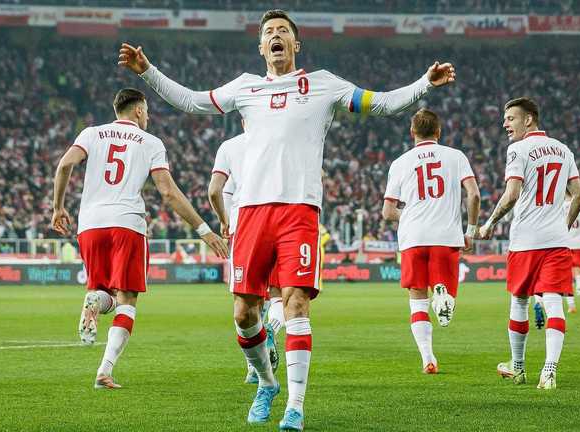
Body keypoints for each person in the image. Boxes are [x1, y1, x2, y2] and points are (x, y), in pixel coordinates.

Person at [119, 9, 455, 430]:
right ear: (261, 47)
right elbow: (192, 100)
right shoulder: (246, 88)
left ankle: (295, 406)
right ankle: (266, 382)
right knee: (244, 313)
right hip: (252, 213)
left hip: (298, 210)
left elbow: (381, 103)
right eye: (268, 33)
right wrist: (147, 70)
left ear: (296, 45)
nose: (275, 36)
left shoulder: (323, 84)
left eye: (283, 32)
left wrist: (425, 83)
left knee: (295, 303)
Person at [51, 88, 228, 389]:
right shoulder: (150, 142)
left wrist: (57, 208)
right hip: (127, 224)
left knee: (104, 291)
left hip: (90, 224)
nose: (148, 116)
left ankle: (95, 300)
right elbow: (168, 192)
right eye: (146, 111)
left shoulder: (92, 133)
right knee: (127, 301)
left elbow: (65, 164)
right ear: (138, 110)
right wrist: (203, 229)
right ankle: (104, 371)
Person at [480, 97, 580, 390]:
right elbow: (578, 195)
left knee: (520, 301)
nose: (505, 124)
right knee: (553, 304)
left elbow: (511, 194)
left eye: (510, 118)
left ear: (529, 119)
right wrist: (562, 226)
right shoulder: (564, 150)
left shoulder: (518, 149)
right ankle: (549, 372)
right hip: (557, 241)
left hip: (525, 240)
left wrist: (490, 223)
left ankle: (519, 367)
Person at [382, 109, 480, 374]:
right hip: (446, 236)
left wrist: (410, 214)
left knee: (416, 301)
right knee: (445, 293)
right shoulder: (456, 156)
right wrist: (470, 230)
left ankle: (428, 358)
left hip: (413, 237)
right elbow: (474, 194)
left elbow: (388, 212)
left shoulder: (400, 162)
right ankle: (442, 297)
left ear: (412, 132)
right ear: (439, 132)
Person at [207, 132, 280, 384]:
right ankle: (271, 330)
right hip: (280, 222)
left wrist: (224, 221)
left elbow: (217, 191)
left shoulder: (230, 146)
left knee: (246, 303)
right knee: (279, 295)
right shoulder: (279, 139)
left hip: (243, 228)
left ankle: (254, 368)